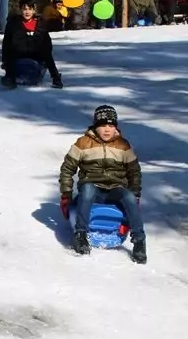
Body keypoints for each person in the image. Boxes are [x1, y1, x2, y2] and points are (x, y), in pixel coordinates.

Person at [58, 105, 146, 262]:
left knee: (130, 198)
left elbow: (134, 171)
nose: (107, 129)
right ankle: (81, 234)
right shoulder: (83, 143)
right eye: (103, 125)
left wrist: (135, 194)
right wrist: (66, 195)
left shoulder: (123, 145)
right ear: (95, 126)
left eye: (111, 125)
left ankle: (139, 240)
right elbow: (67, 168)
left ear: (116, 127)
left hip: (116, 188)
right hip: (93, 187)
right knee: (88, 191)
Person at [0, 0, 63, 89]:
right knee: (11, 52)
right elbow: (6, 43)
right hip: (19, 54)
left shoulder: (40, 24)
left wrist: (45, 60)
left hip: (36, 55)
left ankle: (56, 78)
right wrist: (4, 61)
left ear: (34, 10)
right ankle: (10, 78)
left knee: (46, 53)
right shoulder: (13, 24)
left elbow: (47, 43)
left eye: (30, 9)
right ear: (21, 10)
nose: (27, 12)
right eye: (25, 9)